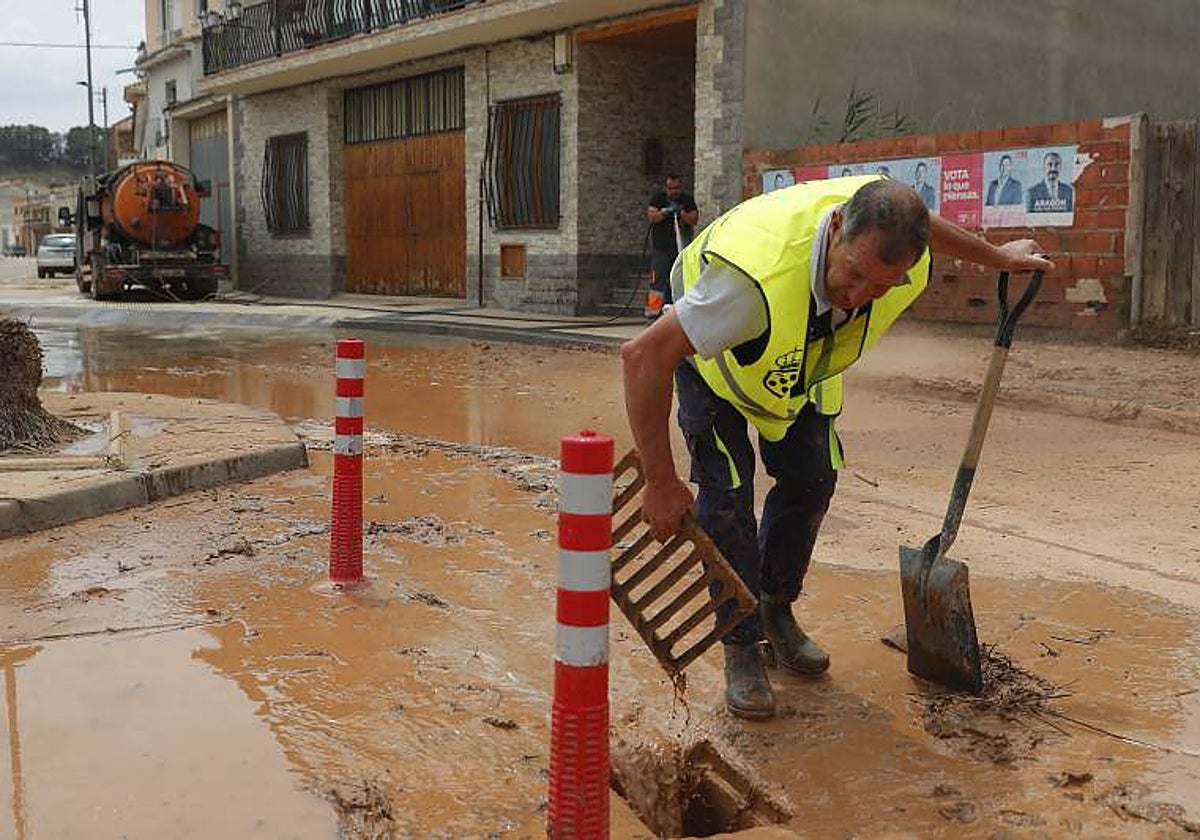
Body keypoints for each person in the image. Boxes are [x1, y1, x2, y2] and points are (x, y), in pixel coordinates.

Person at [620, 175, 1053, 719]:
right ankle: (742, 646)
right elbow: (643, 357)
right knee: (727, 494)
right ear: (835, 228)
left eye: (880, 287)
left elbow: (922, 224)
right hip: (717, 363)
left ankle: (775, 608)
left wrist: (996, 257)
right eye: (853, 274)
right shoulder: (747, 287)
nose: (858, 296)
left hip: (802, 358)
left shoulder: (893, 244)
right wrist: (660, 482)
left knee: (813, 478)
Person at [645, 174, 700, 318]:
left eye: (676, 188)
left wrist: (681, 213)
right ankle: (653, 314)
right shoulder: (659, 199)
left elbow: (694, 219)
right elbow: (652, 216)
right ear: (666, 188)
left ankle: (678, 314)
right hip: (661, 250)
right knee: (658, 283)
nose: (674, 191)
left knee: (677, 281)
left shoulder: (686, 200)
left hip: (680, 250)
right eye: (671, 188)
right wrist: (665, 211)